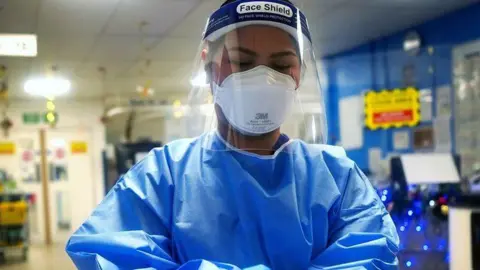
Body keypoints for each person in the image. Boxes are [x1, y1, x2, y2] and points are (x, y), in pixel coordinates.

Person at [66, 0, 399, 269]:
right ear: (210, 68)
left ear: (299, 74)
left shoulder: (336, 179)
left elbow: (370, 257)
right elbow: (109, 253)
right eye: (242, 62)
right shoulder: (163, 176)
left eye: (282, 66)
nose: (265, 79)